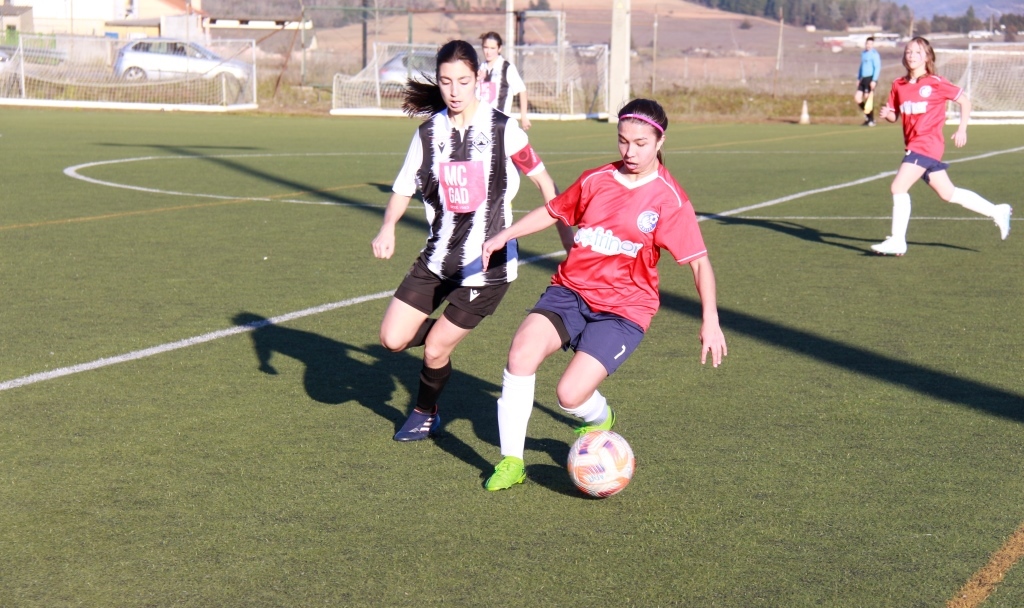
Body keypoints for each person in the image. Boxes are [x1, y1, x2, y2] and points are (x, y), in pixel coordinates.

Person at [479, 99, 728, 491]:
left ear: (660, 141)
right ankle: (512, 461)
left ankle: (599, 419)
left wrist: (710, 320)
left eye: (641, 143)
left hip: (624, 309)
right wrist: (504, 235)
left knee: (569, 395)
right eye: (623, 141)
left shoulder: (669, 198)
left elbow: (699, 263)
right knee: (521, 353)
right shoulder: (596, 179)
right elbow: (555, 211)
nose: (630, 151)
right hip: (571, 291)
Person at [371, 40, 572, 441]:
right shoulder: (427, 134)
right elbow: (402, 189)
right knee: (391, 339)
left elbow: (547, 187)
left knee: (434, 350)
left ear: (478, 78)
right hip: (437, 259)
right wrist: (387, 226)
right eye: (446, 81)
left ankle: (425, 412)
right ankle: (442, 338)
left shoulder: (504, 130)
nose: (454, 90)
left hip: (487, 269)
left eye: (463, 81)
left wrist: (572, 246)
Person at [871, 37, 1013, 256]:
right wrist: (887, 114)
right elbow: (894, 116)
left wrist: (962, 129)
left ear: (927, 56)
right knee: (948, 194)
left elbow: (965, 101)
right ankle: (996, 211)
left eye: (917, 52)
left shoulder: (935, 82)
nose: (912, 56)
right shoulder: (898, 84)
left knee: (898, 187)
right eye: (908, 52)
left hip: (927, 144)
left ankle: (898, 240)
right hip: (914, 145)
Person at [477, 32, 531, 130]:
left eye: (492, 48)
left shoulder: (507, 68)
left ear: (499, 48)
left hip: (500, 123)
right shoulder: (479, 68)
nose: (488, 52)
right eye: (486, 47)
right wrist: (476, 80)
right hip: (480, 122)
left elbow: (522, 90)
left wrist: (523, 116)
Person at [854, 36, 881, 127]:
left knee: (867, 98)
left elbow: (877, 67)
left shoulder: (874, 54)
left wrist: (874, 80)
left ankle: (871, 119)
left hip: (870, 78)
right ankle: (868, 116)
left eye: (870, 44)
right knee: (857, 98)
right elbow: (862, 66)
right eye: (867, 43)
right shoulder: (863, 53)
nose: (869, 45)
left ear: (873, 45)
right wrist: (858, 78)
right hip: (863, 78)